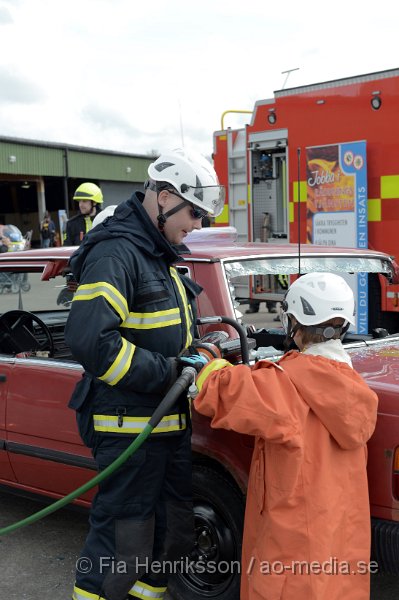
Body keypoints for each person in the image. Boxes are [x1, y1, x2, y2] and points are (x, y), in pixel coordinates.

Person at [64, 148, 224, 600]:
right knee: (122, 544)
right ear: (166, 196)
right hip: (129, 430)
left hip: (166, 427)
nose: (197, 225)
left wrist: (200, 354)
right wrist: (169, 372)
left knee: (165, 538)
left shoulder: (161, 255)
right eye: (194, 213)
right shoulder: (118, 252)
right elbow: (92, 342)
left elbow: (171, 334)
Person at [193, 272, 378, 600]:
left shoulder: (286, 385)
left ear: (295, 323)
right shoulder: (352, 386)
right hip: (336, 543)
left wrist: (207, 362)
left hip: (292, 548)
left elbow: (223, 391)